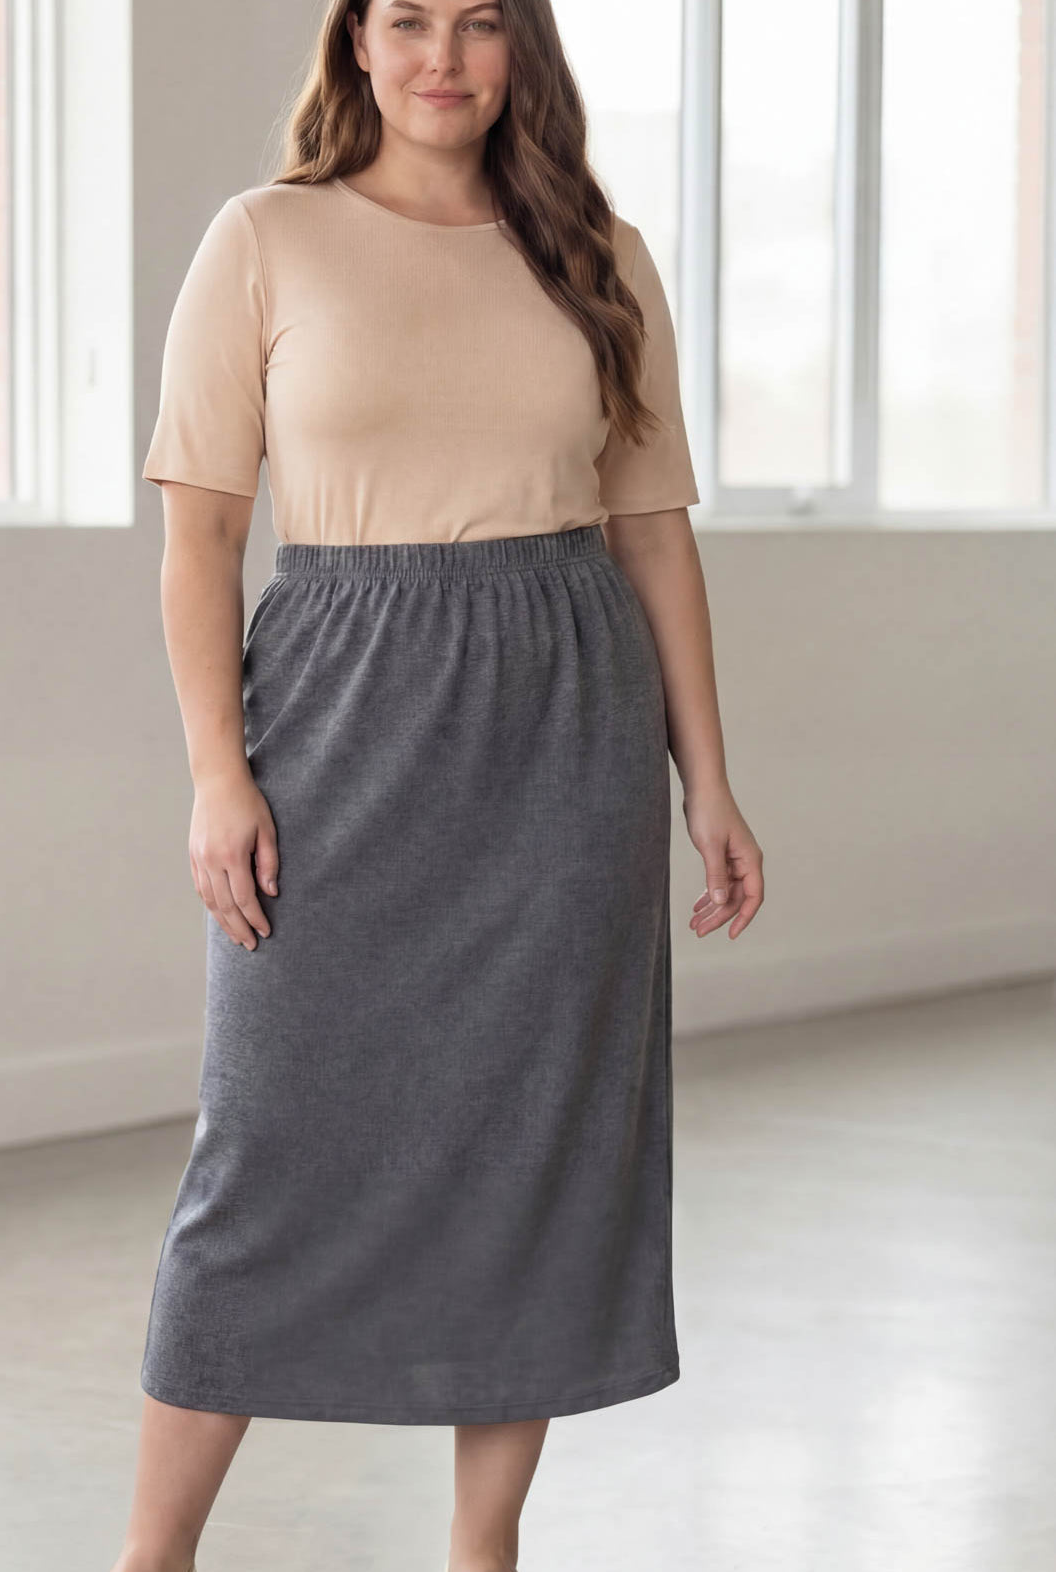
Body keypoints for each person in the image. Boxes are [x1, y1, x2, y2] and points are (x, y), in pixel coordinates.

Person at [116, 2, 764, 1569]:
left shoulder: (592, 252)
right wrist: (220, 775)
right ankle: (151, 1556)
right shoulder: (265, 238)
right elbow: (200, 532)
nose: (442, 56)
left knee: (531, 1142)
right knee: (265, 1145)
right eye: (405, 18)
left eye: (480, 22)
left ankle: (484, 1549)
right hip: (337, 708)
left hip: (564, 720)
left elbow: (652, 534)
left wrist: (709, 782)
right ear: (353, 43)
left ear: (517, 49)